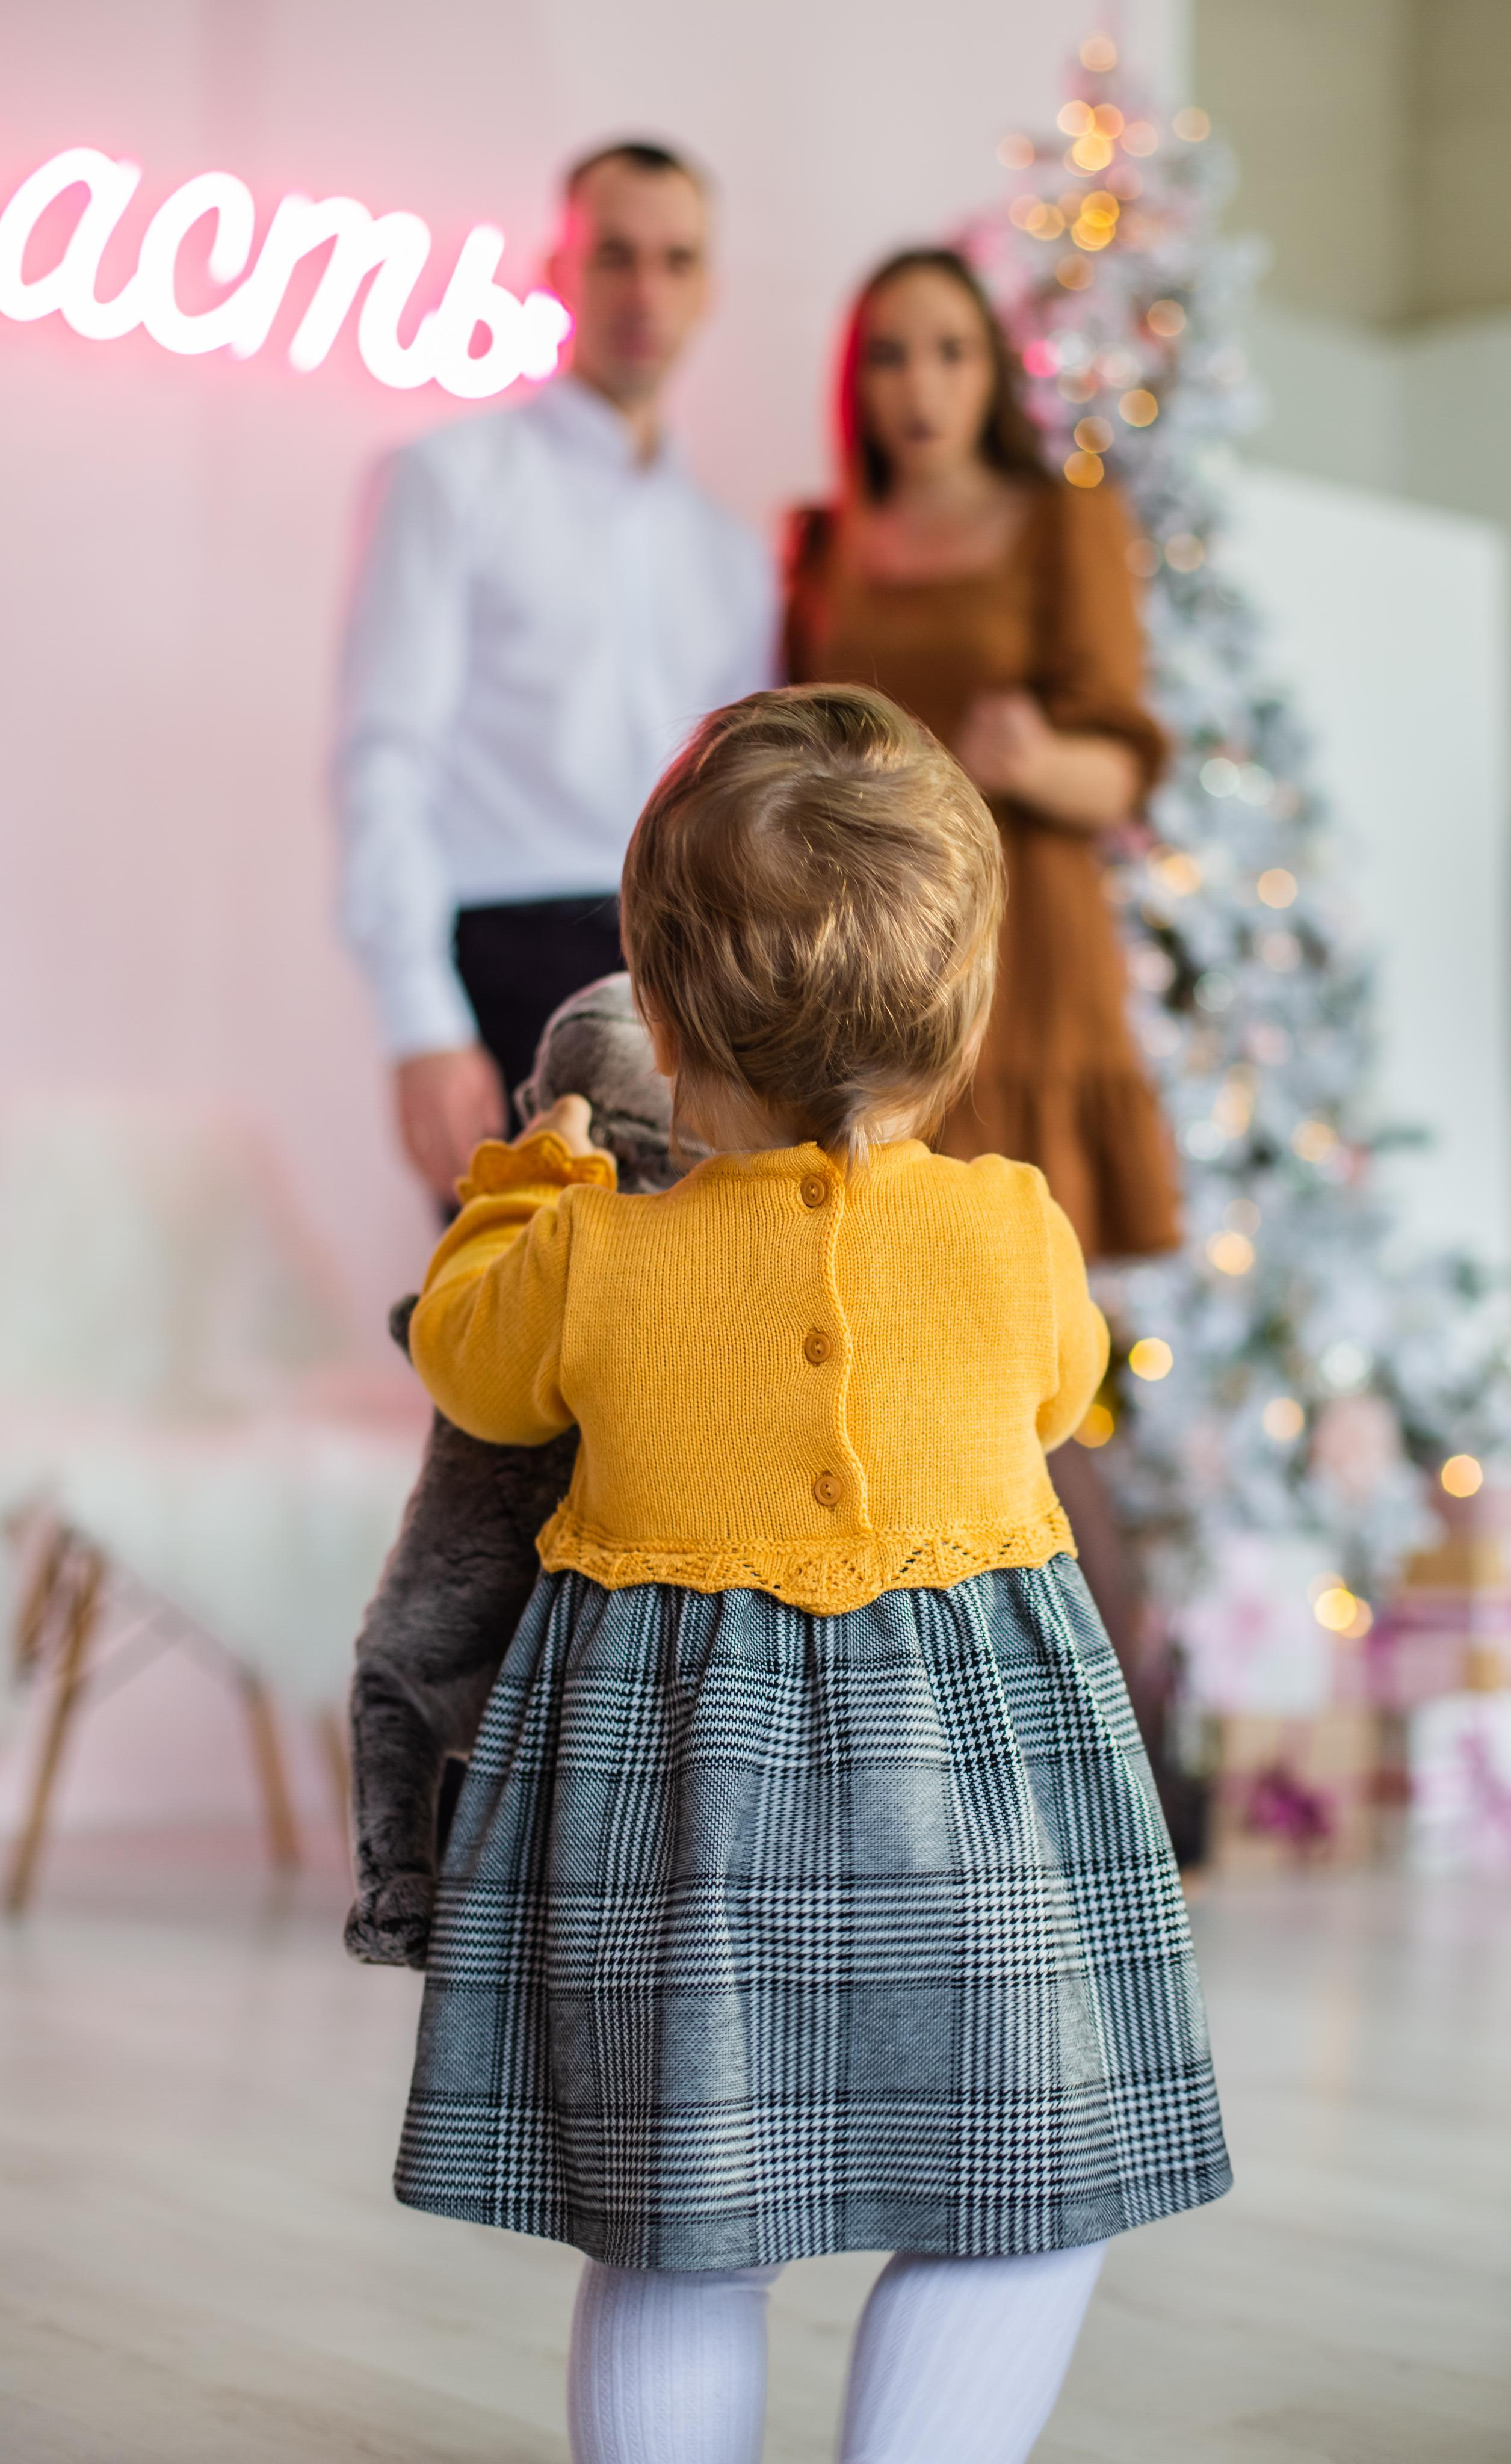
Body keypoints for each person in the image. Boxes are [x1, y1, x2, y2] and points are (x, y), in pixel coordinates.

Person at [388, 686, 1231, 2462]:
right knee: (1029, 2201)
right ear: (967, 998)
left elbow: (464, 1358)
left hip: (673, 1823)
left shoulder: (591, 1255)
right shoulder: (1012, 1229)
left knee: (674, 2233)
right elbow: (1067, 1381)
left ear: (662, 1002)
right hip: (972, 1821)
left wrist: (534, 1174)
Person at [335, 141, 775, 1199]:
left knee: (684, 1353)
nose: (644, 290)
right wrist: (421, 1023)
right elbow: (384, 758)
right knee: (511, 1350)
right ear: (558, 271)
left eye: (676, 260)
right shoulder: (450, 481)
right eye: (614, 254)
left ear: (708, 288)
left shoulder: (734, 556)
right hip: (500, 965)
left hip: (686, 989)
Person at [785, 247, 1179, 1263]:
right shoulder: (825, 544)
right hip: (869, 952)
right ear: (853, 379)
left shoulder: (1064, 522)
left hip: (1025, 944)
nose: (922, 387)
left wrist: (1037, 760)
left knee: (1026, 1293)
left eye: (952, 353)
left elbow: (1124, 773)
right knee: (881, 1281)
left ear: (993, 370)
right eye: (891, 357)